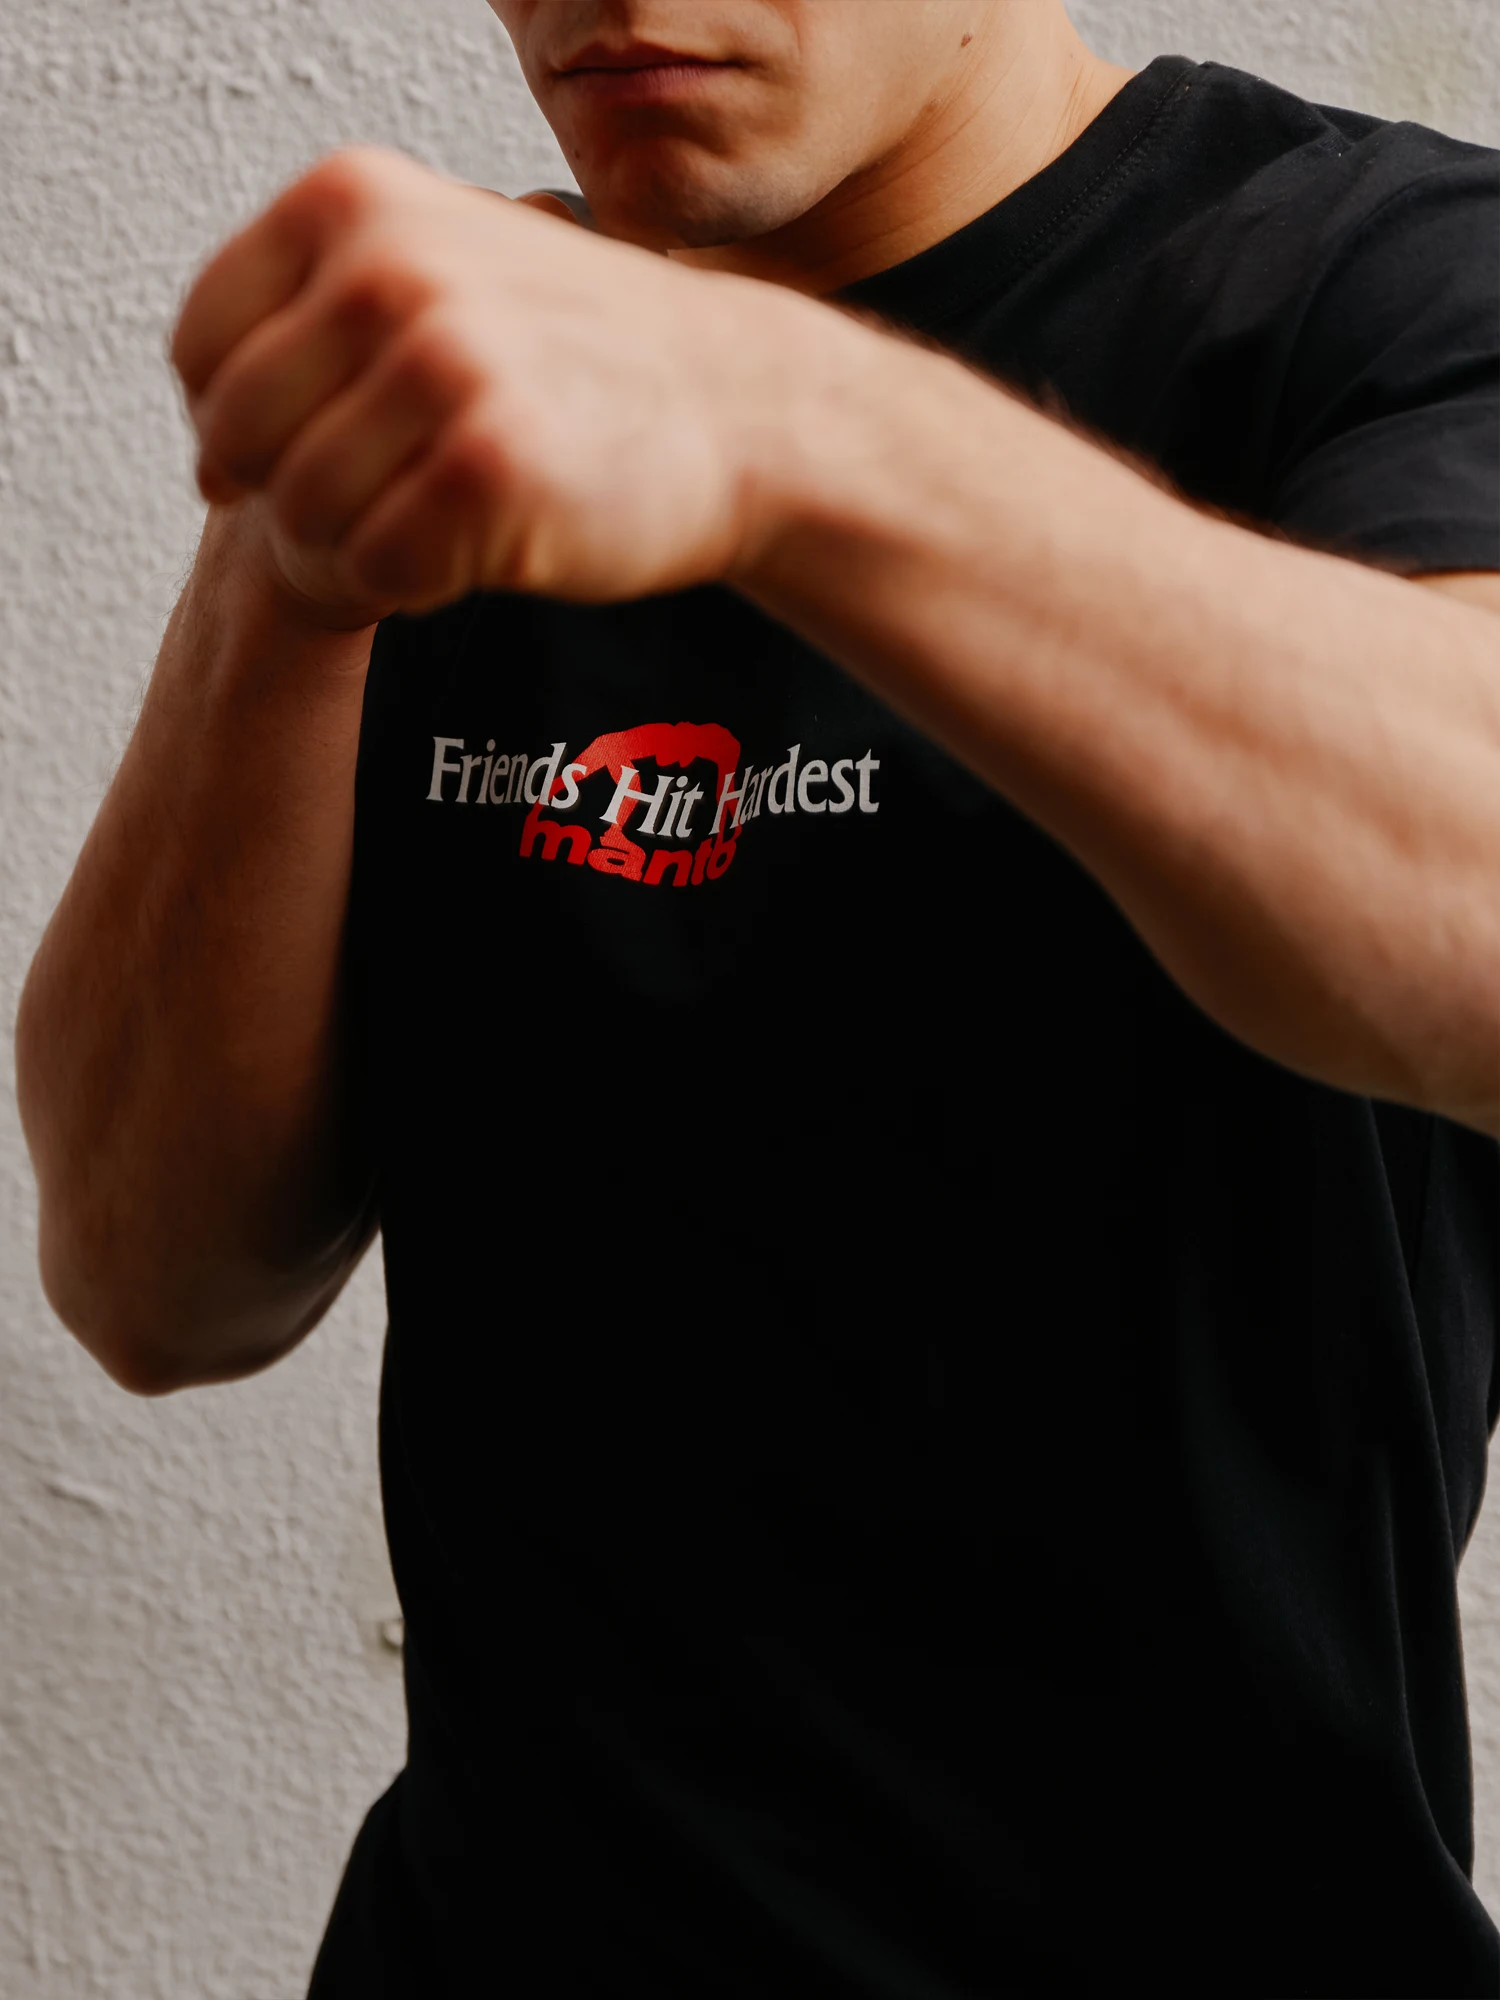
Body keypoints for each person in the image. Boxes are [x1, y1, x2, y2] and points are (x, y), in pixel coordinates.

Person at [16, 0, 1500, 1989]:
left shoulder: (1388, 283)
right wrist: (282, 572)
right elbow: (152, 1277)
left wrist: (777, 420)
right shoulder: (478, 377)